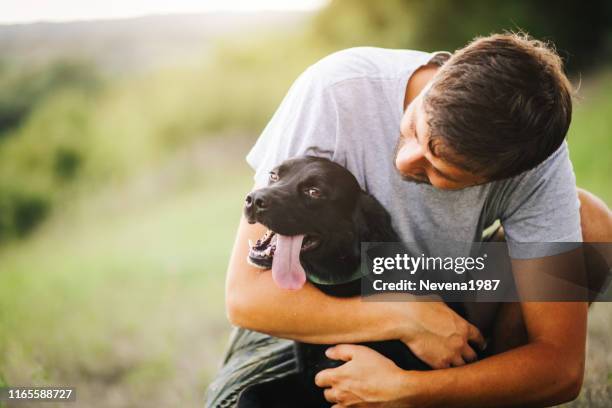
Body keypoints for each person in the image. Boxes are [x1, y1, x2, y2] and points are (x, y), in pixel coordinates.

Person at [205, 32, 612, 407]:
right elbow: (248, 299)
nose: (405, 161)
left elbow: (560, 367)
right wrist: (408, 317)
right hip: (311, 309)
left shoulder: (535, 166)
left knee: (590, 224)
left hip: (451, 294)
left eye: (442, 172)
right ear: (442, 75)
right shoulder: (335, 91)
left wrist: (408, 391)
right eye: (415, 129)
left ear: (500, 175)